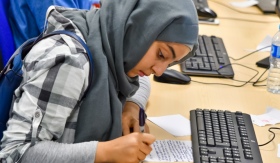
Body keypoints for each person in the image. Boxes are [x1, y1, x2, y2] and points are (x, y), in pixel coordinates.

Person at [0, 0, 199, 162]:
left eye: (170, 63)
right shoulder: (71, 62)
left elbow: (142, 80)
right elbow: (15, 153)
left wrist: (132, 105)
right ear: (139, 28)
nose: (159, 70)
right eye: (162, 54)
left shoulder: (108, 37)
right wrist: (104, 152)